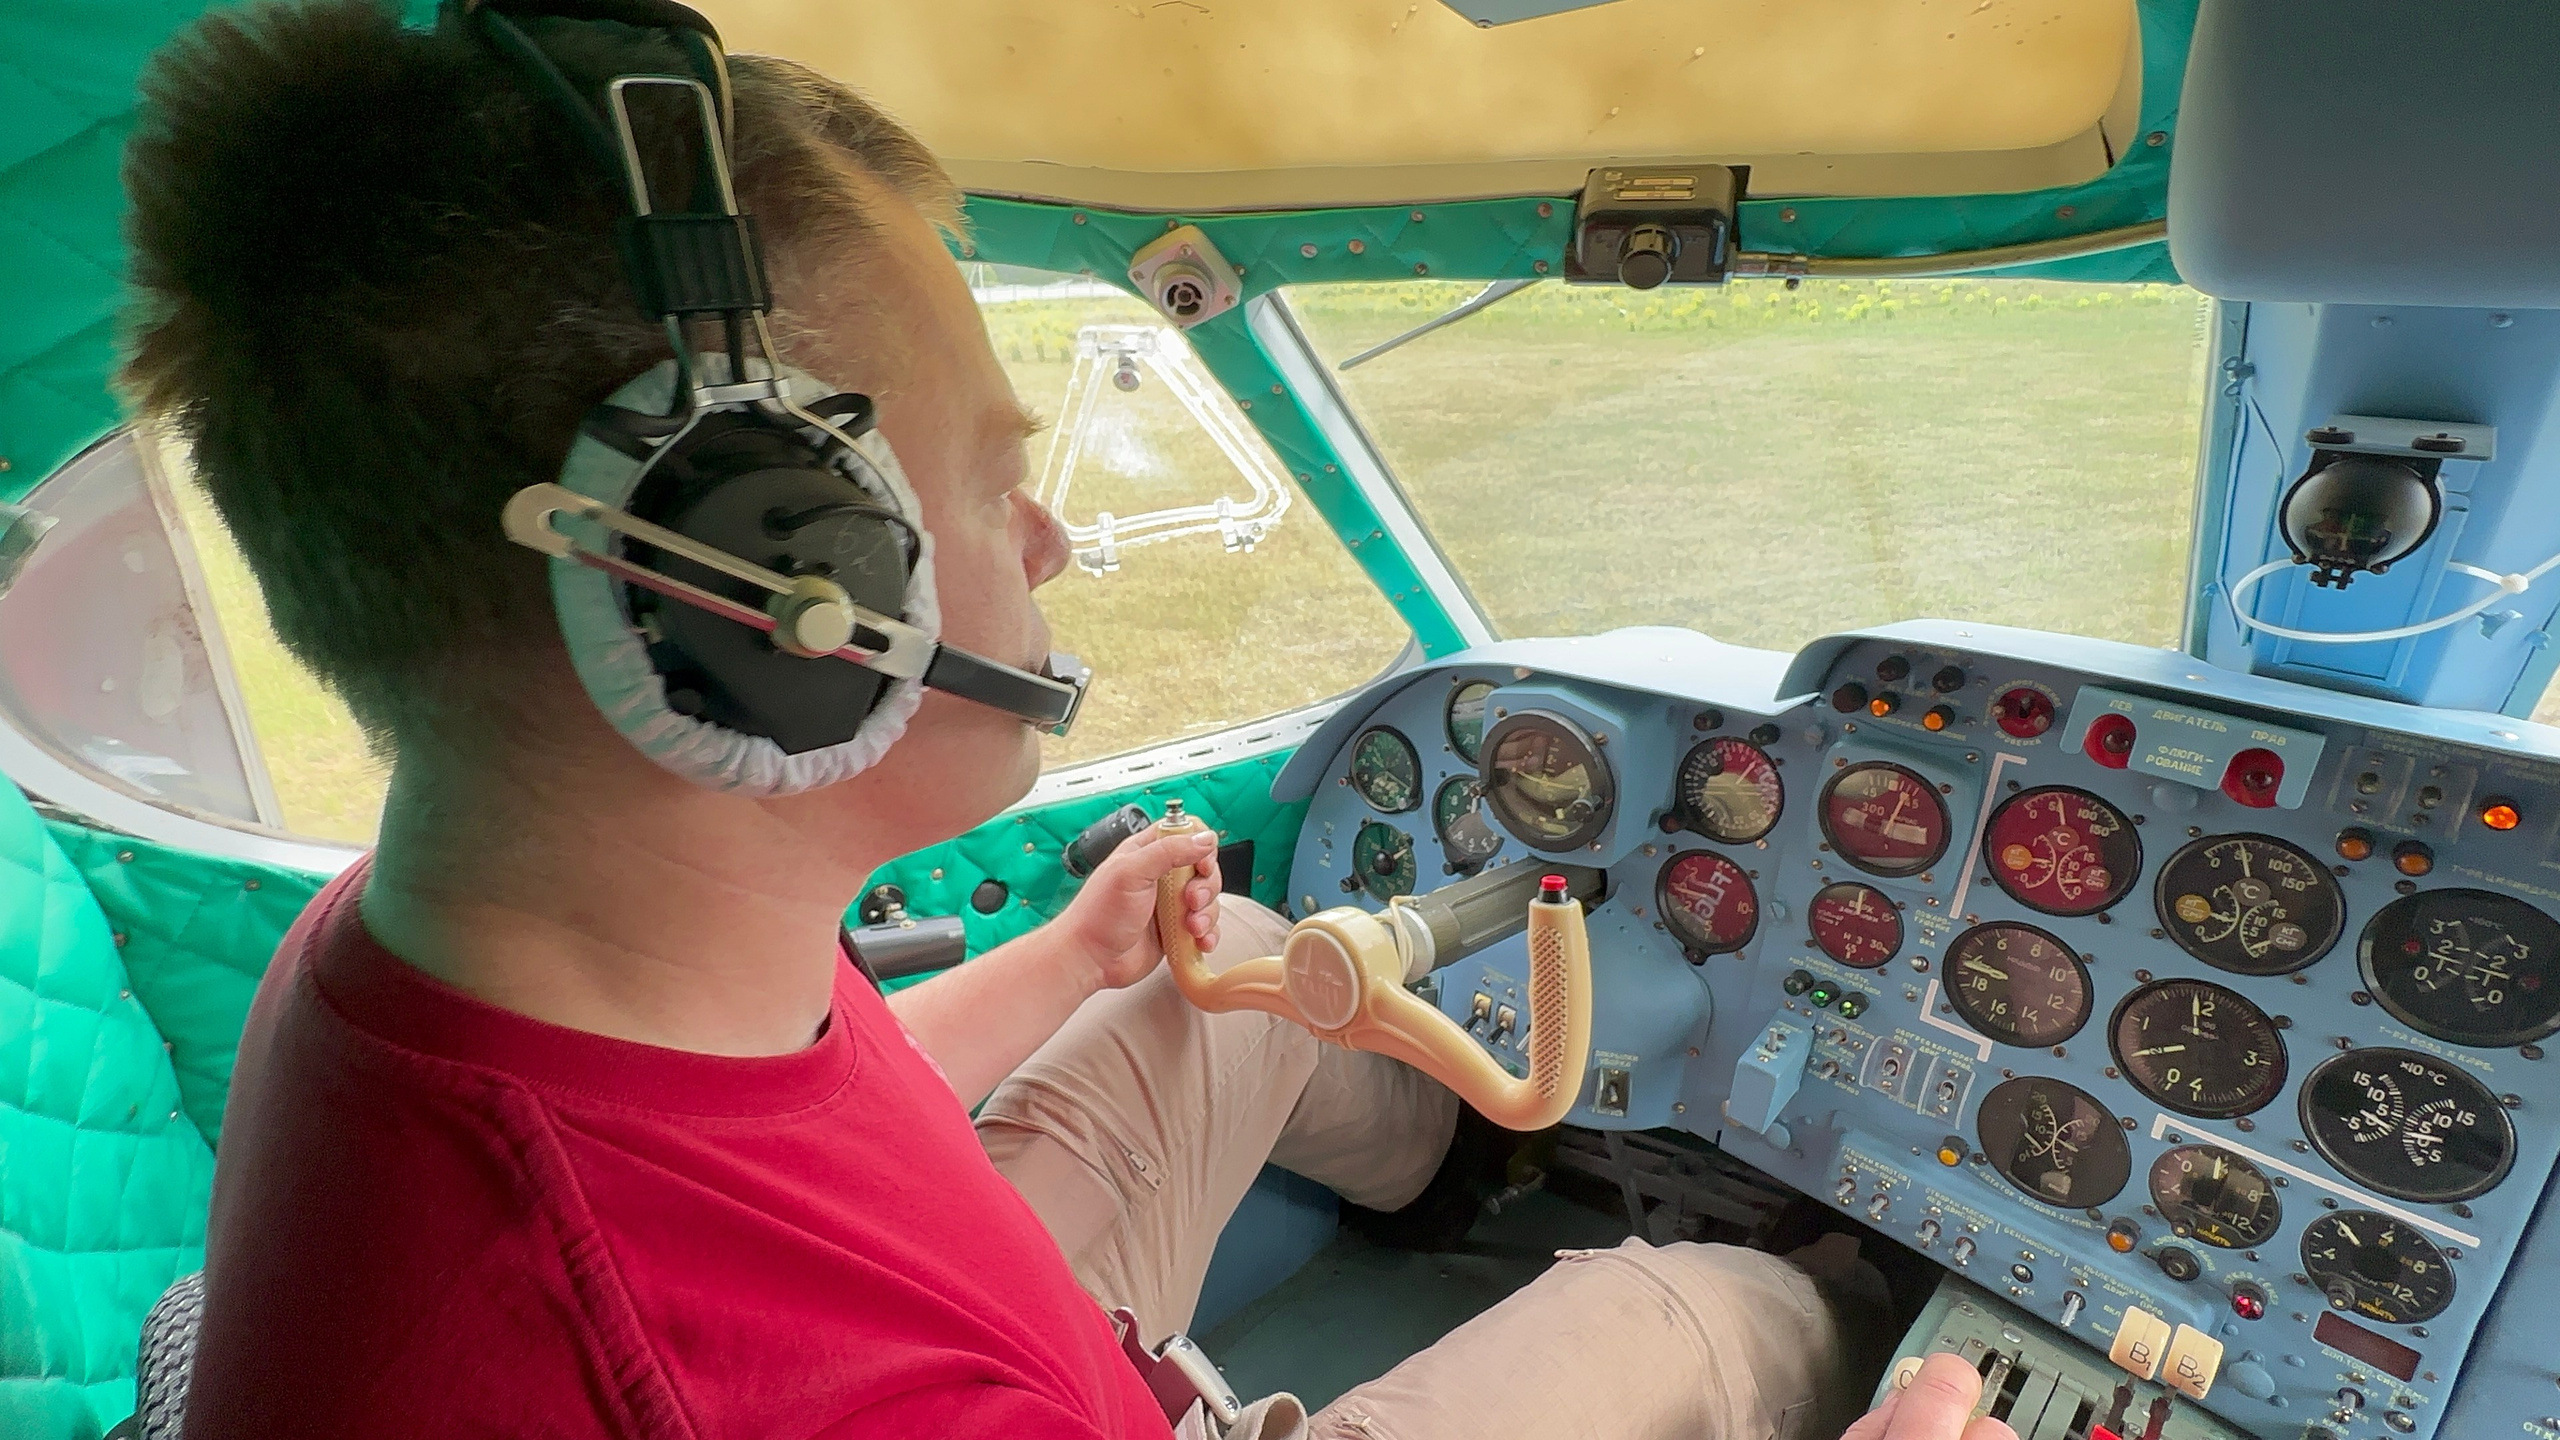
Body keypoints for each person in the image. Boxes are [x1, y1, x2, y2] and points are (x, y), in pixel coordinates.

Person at [120, 4, 2013, 1438]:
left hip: (1018, 1305)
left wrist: (1067, 958)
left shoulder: (518, 929)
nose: (1052, 538)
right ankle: (1842, 1312)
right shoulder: (696, 1380)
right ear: (765, 595)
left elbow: (780, 1138)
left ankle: (1461, 1169)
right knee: (1699, 1307)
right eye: (988, 473)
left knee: (1236, 966)